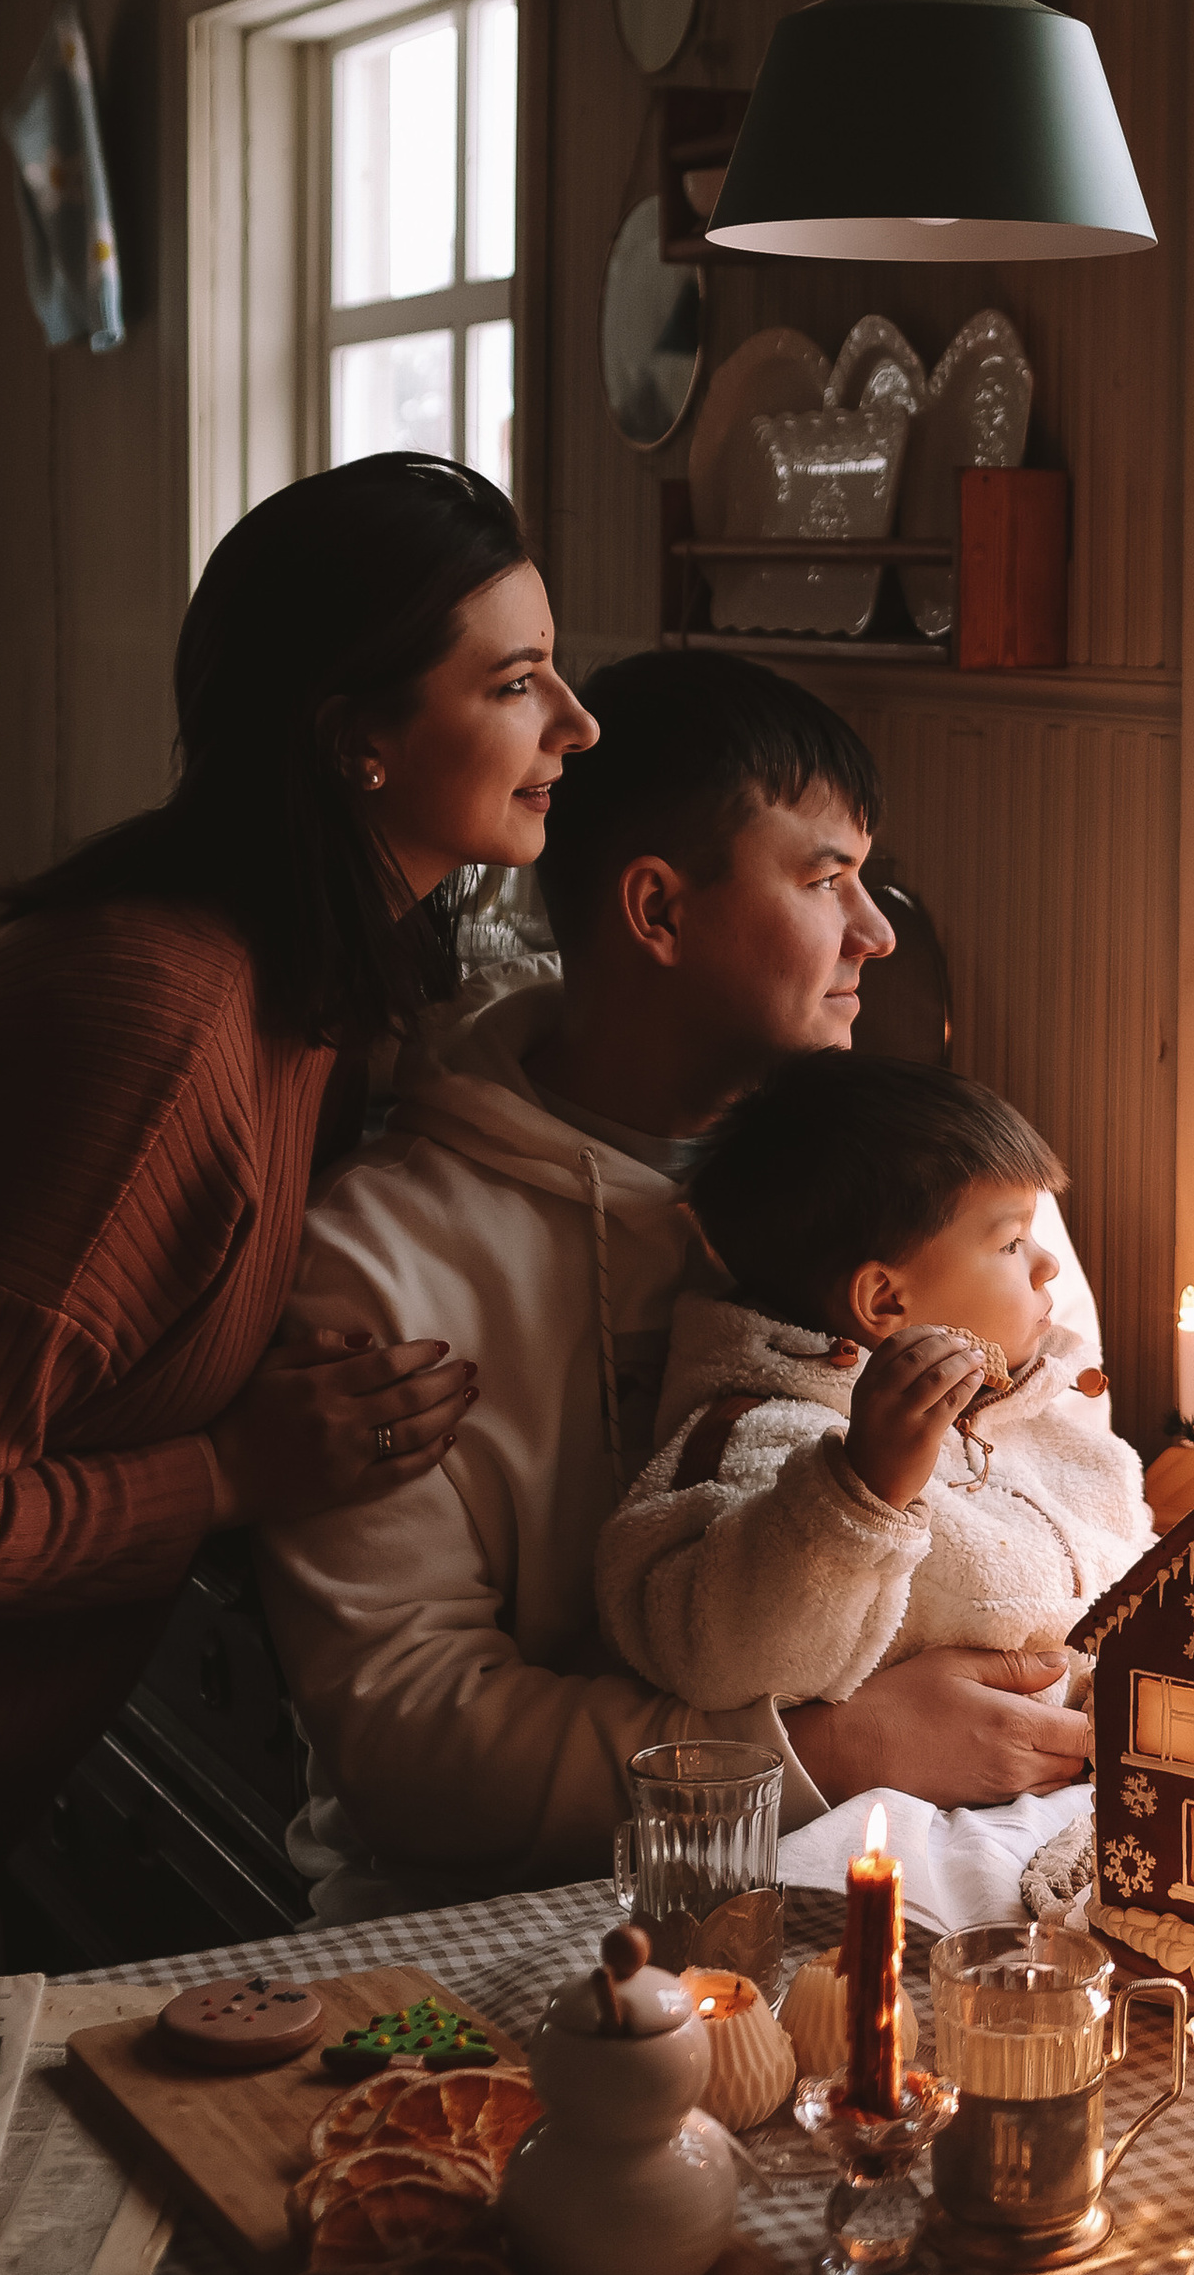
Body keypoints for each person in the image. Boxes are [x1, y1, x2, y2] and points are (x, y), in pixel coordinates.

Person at [0, 455, 596, 1985]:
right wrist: (230, 1471)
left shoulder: (316, 986)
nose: (578, 725)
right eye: (518, 684)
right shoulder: (157, 1032)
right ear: (356, 739)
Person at [257, 652, 1098, 1925]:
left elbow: (1075, 1505)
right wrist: (832, 1748)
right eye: (825, 879)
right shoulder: (379, 1254)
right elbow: (408, 1736)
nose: (876, 930)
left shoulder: (945, 1191)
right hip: (507, 1919)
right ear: (656, 911)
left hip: (933, 1876)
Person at [597, 1058, 1149, 1711]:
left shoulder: (1042, 1421)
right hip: (935, 1804)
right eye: (1011, 1243)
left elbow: (1136, 1568)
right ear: (885, 1300)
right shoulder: (775, 1448)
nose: (1048, 1262)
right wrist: (862, 1492)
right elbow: (723, 1658)